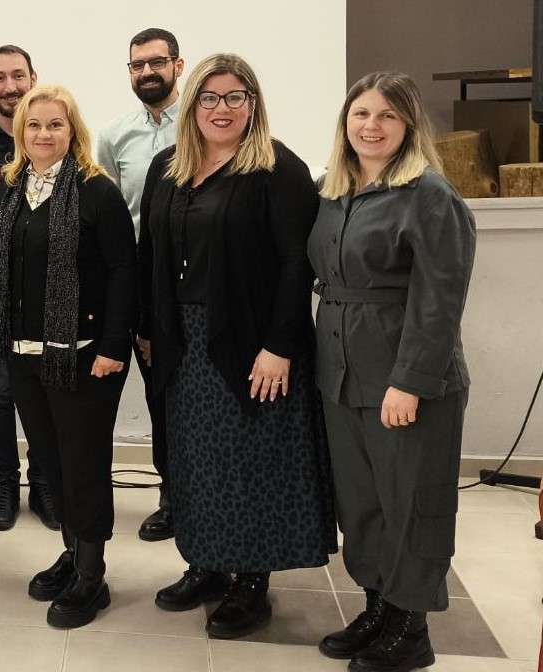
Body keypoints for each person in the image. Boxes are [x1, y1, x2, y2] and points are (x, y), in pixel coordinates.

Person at [138, 53, 335, 639]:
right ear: (192, 103)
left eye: (234, 97)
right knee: (195, 460)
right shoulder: (166, 168)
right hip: (183, 343)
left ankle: (251, 579)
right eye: (209, 97)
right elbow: (151, 253)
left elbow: (296, 265)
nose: (221, 109)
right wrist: (148, 328)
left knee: (250, 464)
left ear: (253, 103)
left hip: (251, 342)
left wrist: (280, 346)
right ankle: (206, 562)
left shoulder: (278, 168)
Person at [310, 71, 475, 672]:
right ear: (345, 122)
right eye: (361, 113)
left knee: (411, 503)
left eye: (387, 115)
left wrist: (409, 382)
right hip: (340, 375)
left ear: (408, 125)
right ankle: (378, 605)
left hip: (404, 379)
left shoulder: (429, 195)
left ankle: (411, 628)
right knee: (362, 503)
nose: (371, 126)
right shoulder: (331, 190)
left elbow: (440, 299)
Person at [0, 85, 137, 628]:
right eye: (34, 125)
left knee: (83, 465)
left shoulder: (97, 192)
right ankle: (73, 555)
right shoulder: (7, 191)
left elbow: (124, 271)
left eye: (55, 124)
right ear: (19, 132)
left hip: (84, 357)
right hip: (25, 354)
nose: (43, 134)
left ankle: (92, 575)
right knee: (50, 463)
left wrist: (114, 346)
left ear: (73, 130)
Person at [97, 27, 185, 543]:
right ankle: (171, 497)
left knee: (186, 395)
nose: (147, 72)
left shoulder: (203, 123)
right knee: (157, 396)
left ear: (177, 65)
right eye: (137, 65)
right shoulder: (115, 136)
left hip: (189, 281)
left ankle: (196, 493)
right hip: (135, 281)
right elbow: (110, 217)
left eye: (156, 62)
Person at [0, 44, 57, 532]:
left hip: (46, 296)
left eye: (18, 76)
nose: (10, 86)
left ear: (33, 78)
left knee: (43, 395)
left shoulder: (54, 137)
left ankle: (44, 483)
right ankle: (5, 484)